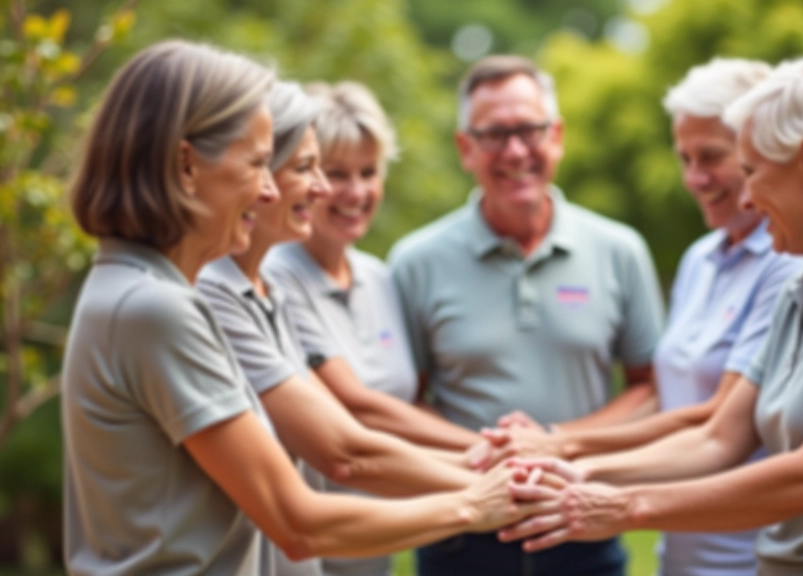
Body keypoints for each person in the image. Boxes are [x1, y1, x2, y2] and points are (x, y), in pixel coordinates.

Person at [62, 40, 559, 576]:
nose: (269, 192)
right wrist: (475, 503)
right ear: (186, 165)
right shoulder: (154, 307)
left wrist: (484, 473)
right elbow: (299, 521)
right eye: (258, 164)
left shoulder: (149, 292)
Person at [502, 56, 803, 576]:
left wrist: (623, 506)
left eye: (752, 171)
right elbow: (719, 438)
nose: (748, 197)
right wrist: (582, 472)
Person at [388, 55, 665, 576]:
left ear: (556, 135)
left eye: (529, 130)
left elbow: (648, 388)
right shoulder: (414, 262)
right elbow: (406, 401)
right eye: (494, 134)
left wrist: (557, 441)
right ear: (464, 147)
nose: (515, 151)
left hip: (583, 524)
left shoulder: (619, 249)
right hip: (458, 536)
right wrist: (491, 456)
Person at [197, 82, 487, 576]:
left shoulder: (372, 276)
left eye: (368, 173)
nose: (345, 191)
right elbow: (349, 426)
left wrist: (493, 459)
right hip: (315, 545)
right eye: (323, 171)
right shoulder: (260, 278)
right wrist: (483, 471)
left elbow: (402, 402)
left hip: (374, 545)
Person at [261, 81, 485, 462]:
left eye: (368, 172)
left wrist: (497, 449)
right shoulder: (276, 277)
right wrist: (486, 449)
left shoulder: (379, 277)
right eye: (336, 174)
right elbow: (357, 406)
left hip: (410, 507)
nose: (357, 192)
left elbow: (410, 403)